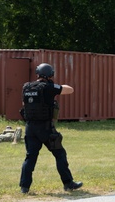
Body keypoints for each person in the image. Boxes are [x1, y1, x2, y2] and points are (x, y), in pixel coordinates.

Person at [19, 63, 82, 194]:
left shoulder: (26, 87)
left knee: (30, 157)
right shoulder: (48, 87)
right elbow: (70, 89)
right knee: (60, 154)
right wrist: (56, 86)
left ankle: (24, 188)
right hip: (46, 129)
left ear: (37, 74)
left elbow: (24, 105)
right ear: (50, 75)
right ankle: (68, 183)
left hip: (30, 128)